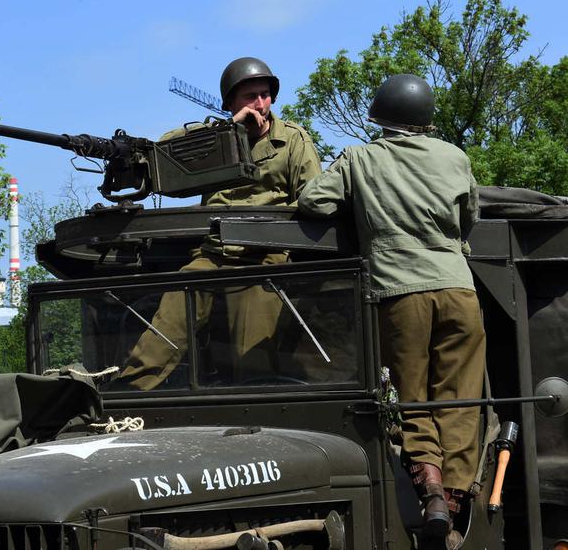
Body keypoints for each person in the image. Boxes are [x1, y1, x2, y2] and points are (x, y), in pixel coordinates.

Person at [297, 74, 485, 547]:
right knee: (460, 397)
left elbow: (313, 201)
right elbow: (469, 219)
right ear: (426, 119)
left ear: (380, 117)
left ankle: (432, 489)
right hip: (461, 291)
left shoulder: (361, 158)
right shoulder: (455, 157)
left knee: (411, 394)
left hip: (400, 291)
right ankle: (459, 502)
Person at [117, 57, 322, 390]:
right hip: (213, 252)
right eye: (250, 96)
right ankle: (125, 398)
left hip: (265, 257)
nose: (260, 103)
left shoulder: (294, 141)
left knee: (253, 350)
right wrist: (226, 131)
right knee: (171, 317)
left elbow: (313, 200)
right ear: (230, 104)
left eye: (265, 94)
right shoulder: (216, 138)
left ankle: (254, 409)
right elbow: (165, 155)